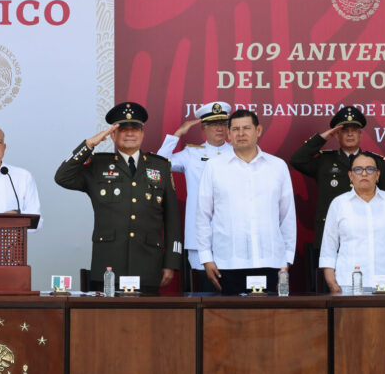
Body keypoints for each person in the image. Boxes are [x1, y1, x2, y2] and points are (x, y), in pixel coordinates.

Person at [55, 102, 183, 293]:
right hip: (108, 266)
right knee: (107, 321)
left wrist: (171, 262)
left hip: (148, 266)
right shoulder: (98, 164)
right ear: (113, 134)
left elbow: (172, 219)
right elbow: (62, 177)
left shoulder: (160, 167)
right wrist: (89, 144)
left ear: (142, 133)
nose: (130, 133)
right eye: (123, 129)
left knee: (147, 322)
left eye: (135, 129)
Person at [197, 109, 296, 295]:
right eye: (235, 129)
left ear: (258, 130)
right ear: (228, 134)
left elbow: (287, 217)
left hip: (271, 262)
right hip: (226, 263)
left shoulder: (277, 167)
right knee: (228, 321)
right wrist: (206, 259)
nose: (240, 133)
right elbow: (202, 216)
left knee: (269, 321)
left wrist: (286, 260)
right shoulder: (214, 167)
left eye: (246, 128)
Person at [157, 101, 233, 289]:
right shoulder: (192, 153)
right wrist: (177, 135)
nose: (219, 129)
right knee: (204, 292)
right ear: (203, 129)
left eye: (223, 124)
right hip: (199, 236)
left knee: (232, 292)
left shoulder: (238, 153)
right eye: (214, 124)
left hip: (232, 234)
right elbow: (159, 165)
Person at [290, 106, 385, 249]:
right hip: (332, 235)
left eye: (354, 131)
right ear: (336, 135)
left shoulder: (376, 162)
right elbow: (297, 160)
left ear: (360, 135)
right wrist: (323, 137)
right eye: (344, 131)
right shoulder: (324, 161)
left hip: (368, 235)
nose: (350, 135)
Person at [320, 152, 385, 293]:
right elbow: (329, 247)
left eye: (370, 169)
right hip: (347, 284)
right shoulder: (339, 203)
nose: (364, 173)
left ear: (377, 175)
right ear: (351, 175)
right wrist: (332, 283)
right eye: (358, 169)